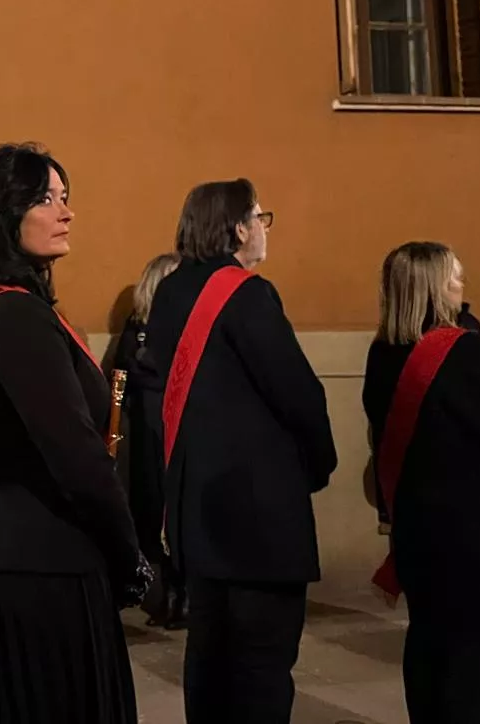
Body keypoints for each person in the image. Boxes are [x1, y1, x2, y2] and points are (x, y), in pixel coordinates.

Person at [0, 143, 147, 724]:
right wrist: (131, 559)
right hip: (48, 569)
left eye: (65, 197)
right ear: (4, 212)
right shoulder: (16, 315)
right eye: (46, 199)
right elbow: (76, 457)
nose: (65, 212)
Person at [136, 179, 336, 724]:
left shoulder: (170, 294)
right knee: (261, 668)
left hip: (196, 515)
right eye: (259, 216)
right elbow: (297, 393)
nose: (264, 227)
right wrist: (317, 468)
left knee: (209, 657)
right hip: (258, 520)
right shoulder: (248, 294)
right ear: (236, 228)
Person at [361, 242, 480, 723]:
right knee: (473, 660)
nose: (463, 281)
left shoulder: (382, 354)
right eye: (455, 275)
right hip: (472, 533)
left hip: (417, 528)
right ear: (434, 286)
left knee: (429, 643)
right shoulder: (459, 353)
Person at [106, 252, 184, 630]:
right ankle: (167, 593)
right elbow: (122, 377)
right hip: (152, 430)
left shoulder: (158, 328)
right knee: (157, 510)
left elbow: (129, 375)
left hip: (158, 427)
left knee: (165, 511)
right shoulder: (146, 326)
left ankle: (174, 595)